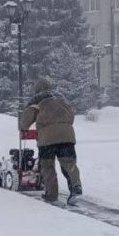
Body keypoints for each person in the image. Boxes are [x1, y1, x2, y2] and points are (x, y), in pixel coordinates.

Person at [18, 76, 82, 204]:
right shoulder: (62, 98)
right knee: (68, 163)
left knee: (47, 166)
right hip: (67, 137)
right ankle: (76, 188)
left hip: (47, 139)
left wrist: (23, 128)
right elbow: (71, 115)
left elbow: (26, 120)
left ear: (37, 90)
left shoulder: (36, 100)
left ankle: (51, 194)